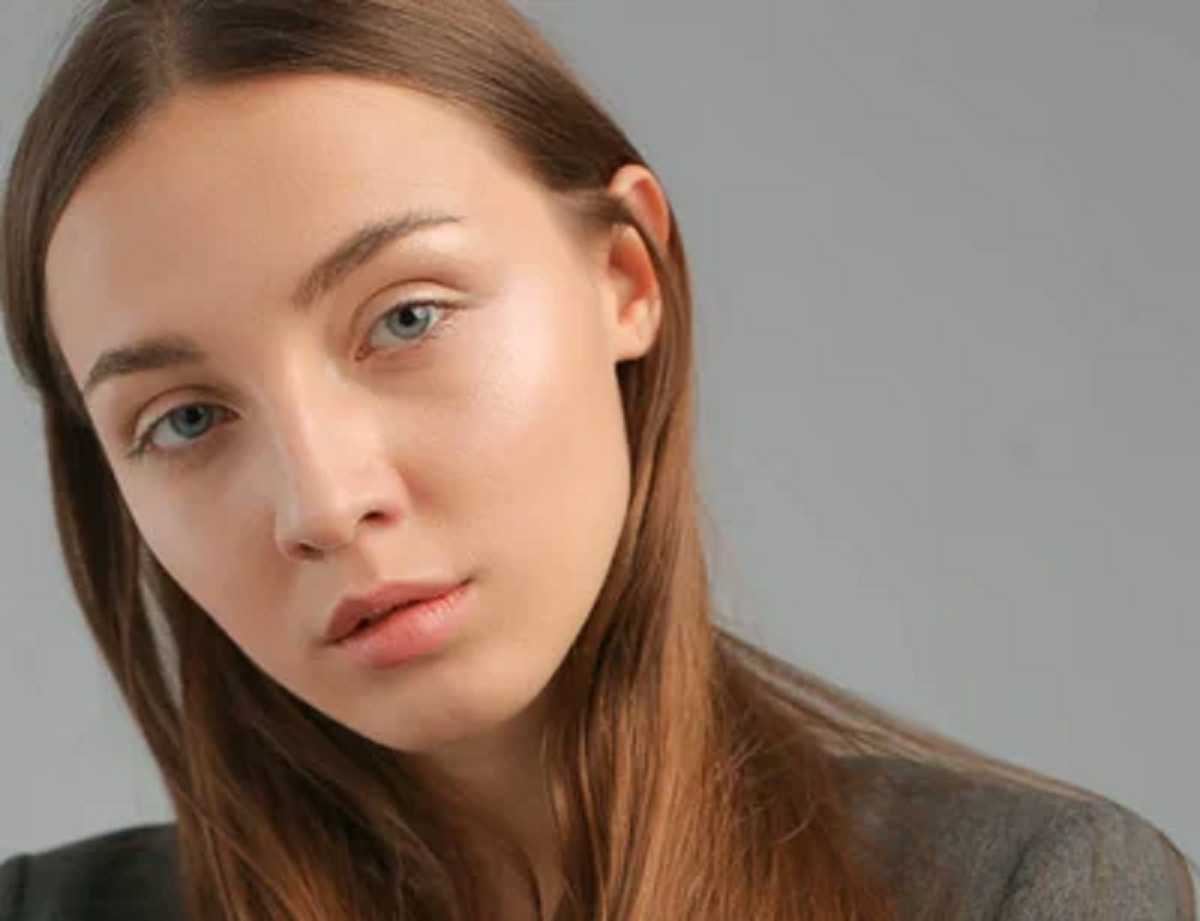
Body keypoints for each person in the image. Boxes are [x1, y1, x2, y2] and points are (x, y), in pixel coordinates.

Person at [0, 1, 1194, 919]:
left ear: (623, 281)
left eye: (406, 317)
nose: (326, 500)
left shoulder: (1027, 895)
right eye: (188, 420)